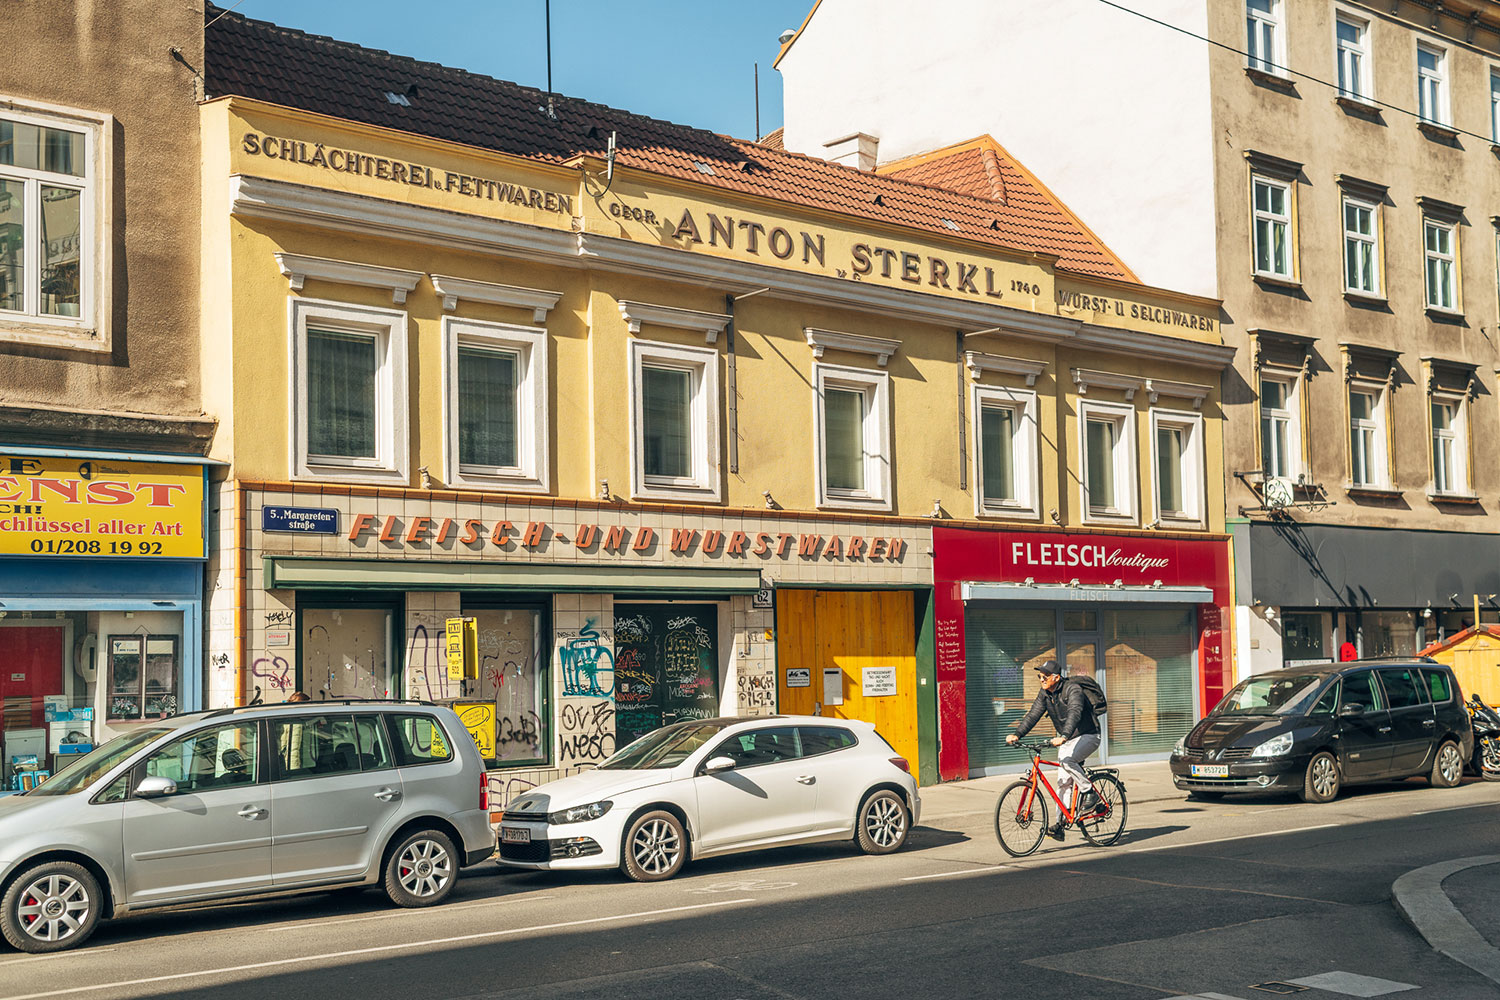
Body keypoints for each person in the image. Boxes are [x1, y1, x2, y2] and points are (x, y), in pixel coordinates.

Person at [1006, 659, 1101, 841]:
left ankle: (1090, 792)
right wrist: (1018, 734)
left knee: (1067, 761)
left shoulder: (1072, 689)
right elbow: (1033, 715)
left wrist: (1064, 735)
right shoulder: (1045, 694)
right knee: (1063, 782)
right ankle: (1060, 825)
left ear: (1056, 678)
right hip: (1067, 739)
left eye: (1045, 676)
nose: (1042, 679)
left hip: (1088, 735)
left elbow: (1074, 712)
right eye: (1040, 676)